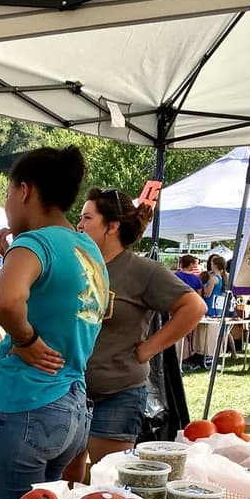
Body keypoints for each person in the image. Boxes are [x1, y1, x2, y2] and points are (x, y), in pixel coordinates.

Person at [0, 146, 110, 499]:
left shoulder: (34, 242)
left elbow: (6, 300)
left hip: (26, 403)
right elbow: (55, 302)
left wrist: (25, 340)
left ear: (25, 191)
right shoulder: (87, 247)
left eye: (6, 194)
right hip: (72, 407)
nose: (6, 205)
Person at [64, 189, 208, 479]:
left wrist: (149, 348)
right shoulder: (76, 266)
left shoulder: (143, 270)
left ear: (112, 226)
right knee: (67, 484)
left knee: (110, 481)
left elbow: (194, 307)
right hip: (68, 391)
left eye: (87, 217)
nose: (80, 225)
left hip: (117, 393)